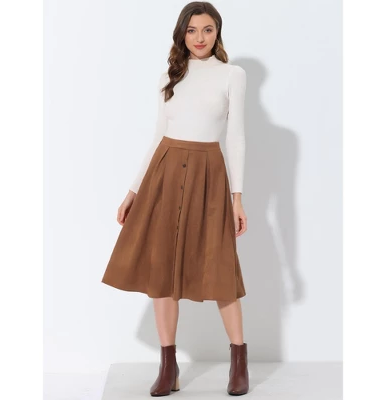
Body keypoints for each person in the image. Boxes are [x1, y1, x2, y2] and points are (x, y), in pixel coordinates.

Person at [101, 1, 249, 396]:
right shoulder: (171, 76)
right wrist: (133, 191)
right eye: (192, 30)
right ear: (182, 33)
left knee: (220, 270)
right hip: (164, 175)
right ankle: (168, 366)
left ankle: (239, 361)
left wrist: (237, 198)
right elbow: (157, 136)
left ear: (217, 33)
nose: (200, 38)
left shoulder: (232, 75)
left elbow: (235, 136)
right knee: (161, 270)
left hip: (208, 175)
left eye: (207, 30)